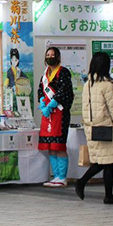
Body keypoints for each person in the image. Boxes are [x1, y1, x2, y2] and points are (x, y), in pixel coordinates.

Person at [75, 52, 113, 204]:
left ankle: (108, 195)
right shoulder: (107, 85)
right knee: (104, 162)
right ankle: (83, 181)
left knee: (106, 162)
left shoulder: (87, 84)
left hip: (91, 128)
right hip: (105, 128)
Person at [38, 46, 75, 187]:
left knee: (59, 145)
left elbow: (65, 90)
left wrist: (53, 103)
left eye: (53, 55)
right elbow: (41, 90)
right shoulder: (45, 74)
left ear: (58, 57)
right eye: (48, 54)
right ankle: (55, 175)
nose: (50, 57)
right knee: (50, 145)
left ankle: (62, 177)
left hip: (59, 113)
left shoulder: (63, 72)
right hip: (48, 115)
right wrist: (42, 103)